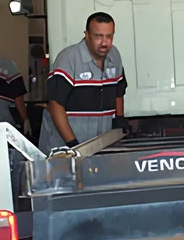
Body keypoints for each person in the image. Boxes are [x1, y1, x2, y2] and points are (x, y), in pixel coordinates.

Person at [39, 12, 126, 154]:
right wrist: (73, 146)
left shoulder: (114, 55)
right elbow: (55, 105)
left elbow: (119, 91)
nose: (104, 43)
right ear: (87, 35)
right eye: (98, 36)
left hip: (98, 147)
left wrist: (119, 120)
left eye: (109, 36)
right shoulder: (68, 58)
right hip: (63, 149)